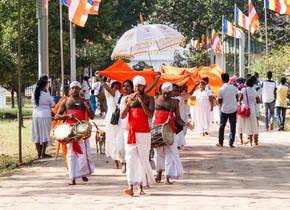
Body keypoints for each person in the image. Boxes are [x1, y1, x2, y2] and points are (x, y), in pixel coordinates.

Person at [120, 75, 155, 196]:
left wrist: (141, 101)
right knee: (130, 159)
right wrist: (128, 104)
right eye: (135, 86)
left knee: (142, 159)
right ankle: (130, 186)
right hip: (130, 131)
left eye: (139, 86)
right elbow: (122, 116)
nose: (136, 88)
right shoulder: (128, 98)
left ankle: (141, 186)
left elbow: (150, 114)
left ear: (144, 86)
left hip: (143, 133)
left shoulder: (149, 99)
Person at [55, 81, 95, 185]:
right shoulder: (66, 101)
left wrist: (88, 107)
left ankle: (83, 173)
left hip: (82, 130)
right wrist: (67, 116)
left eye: (77, 88)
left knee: (84, 153)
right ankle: (72, 177)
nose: (75, 90)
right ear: (70, 89)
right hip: (69, 131)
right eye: (73, 88)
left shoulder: (84, 101)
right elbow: (56, 116)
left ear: (80, 89)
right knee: (71, 154)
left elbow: (92, 116)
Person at [153, 82, 192, 184]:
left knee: (171, 153)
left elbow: (178, 118)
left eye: (168, 93)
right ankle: (159, 173)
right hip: (157, 130)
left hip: (170, 131)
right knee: (158, 154)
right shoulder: (156, 99)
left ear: (172, 92)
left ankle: (167, 177)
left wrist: (186, 124)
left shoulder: (175, 102)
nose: (166, 95)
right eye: (164, 93)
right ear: (161, 91)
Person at [97, 74, 122, 169]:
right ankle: (115, 161)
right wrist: (100, 77)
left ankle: (122, 161)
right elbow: (105, 84)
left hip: (121, 117)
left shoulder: (121, 93)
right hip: (111, 118)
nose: (116, 86)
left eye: (118, 85)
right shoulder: (108, 92)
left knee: (120, 139)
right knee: (112, 139)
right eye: (114, 85)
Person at [32, 76, 55, 159]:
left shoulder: (34, 93)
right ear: (45, 85)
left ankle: (38, 154)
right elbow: (52, 105)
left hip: (35, 115)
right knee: (45, 134)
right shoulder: (46, 95)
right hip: (45, 115)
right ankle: (43, 153)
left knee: (37, 134)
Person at [217, 73, 239, 148]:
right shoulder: (234, 88)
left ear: (222, 80)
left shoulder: (221, 89)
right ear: (228, 79)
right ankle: (231, 143)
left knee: (222, 126)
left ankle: (221, 142)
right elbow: (237, 97)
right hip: (233, 109)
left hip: (224, 109)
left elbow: (220, 101)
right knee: (233, 126)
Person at [117, 80, 134, 173]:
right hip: (120, 125)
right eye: (124, 86)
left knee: (129, 147)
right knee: (120, 147)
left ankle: (128, 164)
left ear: (132, 88)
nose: (125, 88)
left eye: (128, 86)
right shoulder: (120, 97)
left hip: (130, 126)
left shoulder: (133, 97)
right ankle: (123, 163)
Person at [237, 78, 260, 146]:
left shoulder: (244, 90)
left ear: (246, 84)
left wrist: (241, 102)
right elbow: (258, 101)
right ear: (252, 84)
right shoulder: (254, 91)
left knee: (240, 125)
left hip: (243, 109)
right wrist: (253, 102)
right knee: (252, 126)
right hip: (251, 110)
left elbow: (240, 99)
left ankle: (241, 140)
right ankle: (251, 142)